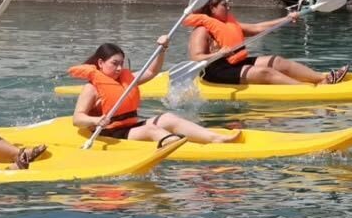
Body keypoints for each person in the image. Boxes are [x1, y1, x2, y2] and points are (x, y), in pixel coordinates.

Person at [70, 36, 242, 146]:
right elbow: (78, 119)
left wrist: (162, 50)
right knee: (152, 130)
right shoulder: (91, 88)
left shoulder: (127, 79)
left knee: (168, 118)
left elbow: (152, 72)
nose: (119, 68)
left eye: (121, 63)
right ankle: (181, 146)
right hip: (111, 133)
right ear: (100, 63)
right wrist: (97, 120)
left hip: (130, 126)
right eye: (114, 63)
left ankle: (214, 137)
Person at [185, 0, 349, 86]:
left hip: (235, 63)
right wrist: (219, 53)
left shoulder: (227, 24)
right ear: (212, 9)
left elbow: (257, 28)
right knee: (265, 72)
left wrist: (286, 18)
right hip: (216, 72)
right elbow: (196, 58)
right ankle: (306, 89)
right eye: (224, 5)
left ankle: (322, 78)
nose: (229, 7)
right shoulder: (201, 30)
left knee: (276, 61)